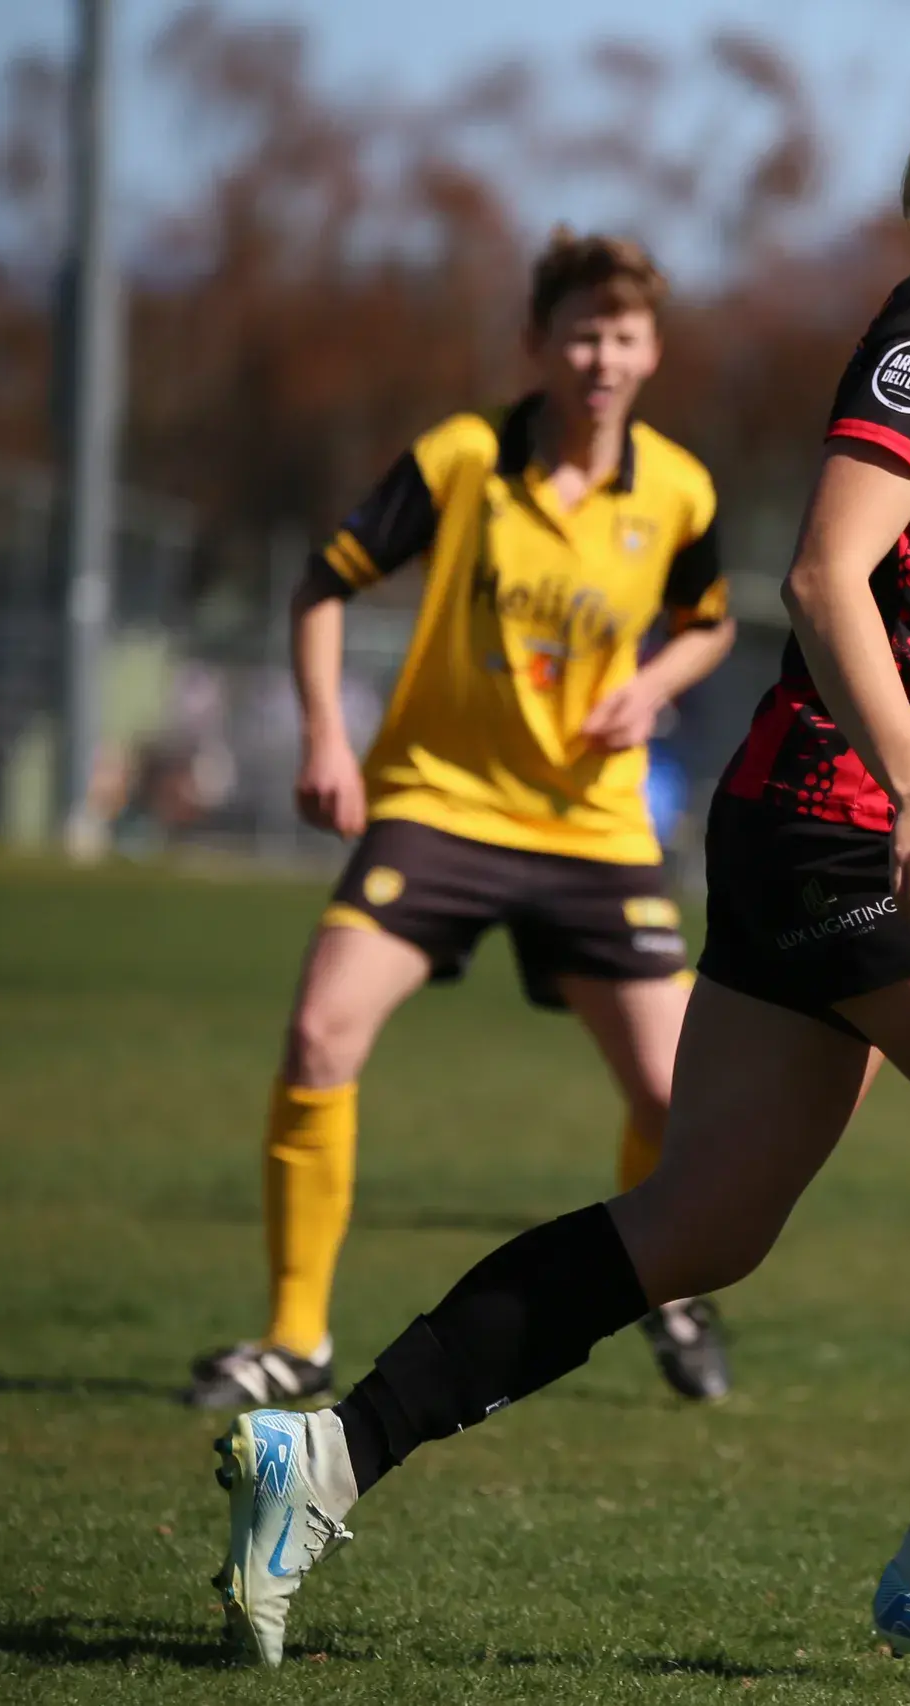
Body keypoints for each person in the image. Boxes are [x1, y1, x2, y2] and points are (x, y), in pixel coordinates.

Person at [208, 18, 910, 1685]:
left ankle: (324, 1458)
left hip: (814, 824)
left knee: (697, 1226)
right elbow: (829, 574)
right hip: (854, 827)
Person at [182, 230, 742, 1413]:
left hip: (593, 826)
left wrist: (653, 682)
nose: (602, 355)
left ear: (652, 350)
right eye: (580, 330)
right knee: (321, 1036)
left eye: (625, 333)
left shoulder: (679, 487)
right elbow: (324, 581)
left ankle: (670, 1287)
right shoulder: (464, 457)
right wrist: (328, 737)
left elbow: (711, 618)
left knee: (677, 1094)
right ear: (538, 344)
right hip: (439, 802)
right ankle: (294, 1337)